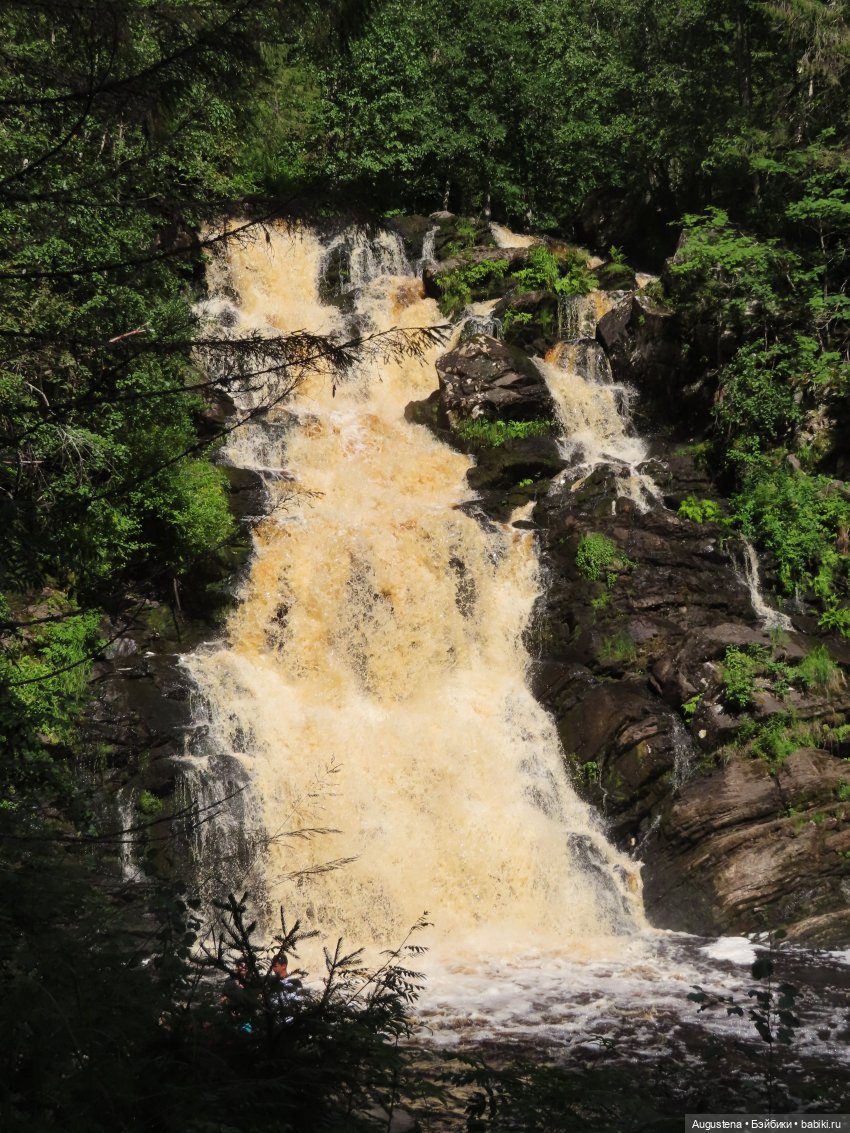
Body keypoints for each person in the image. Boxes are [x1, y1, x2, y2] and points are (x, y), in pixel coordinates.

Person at [266, 953, 304, 1023]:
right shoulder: (271, 982)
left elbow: (299, 1002)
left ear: (283, 966)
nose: (273, 968)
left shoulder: (293, 983)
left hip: (289, 1021)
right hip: (274, 1020)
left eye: (275, 966)